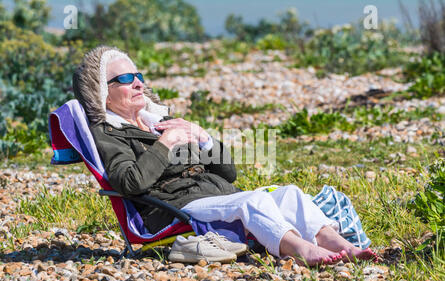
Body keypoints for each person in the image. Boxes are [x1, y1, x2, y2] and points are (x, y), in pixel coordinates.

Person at [72, 45, 378, 266]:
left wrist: (204, 138)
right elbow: (129, 183)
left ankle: (341, 246)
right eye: (125, 79)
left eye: (137, 75)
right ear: (103, 91)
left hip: (214, 195)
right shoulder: (110, 133)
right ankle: (301, 250)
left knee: (291, 194)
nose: (138, 82)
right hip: (175, 209)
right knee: (252, 201)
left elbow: (228, 174)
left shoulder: (159, 122)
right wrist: (167, 144)